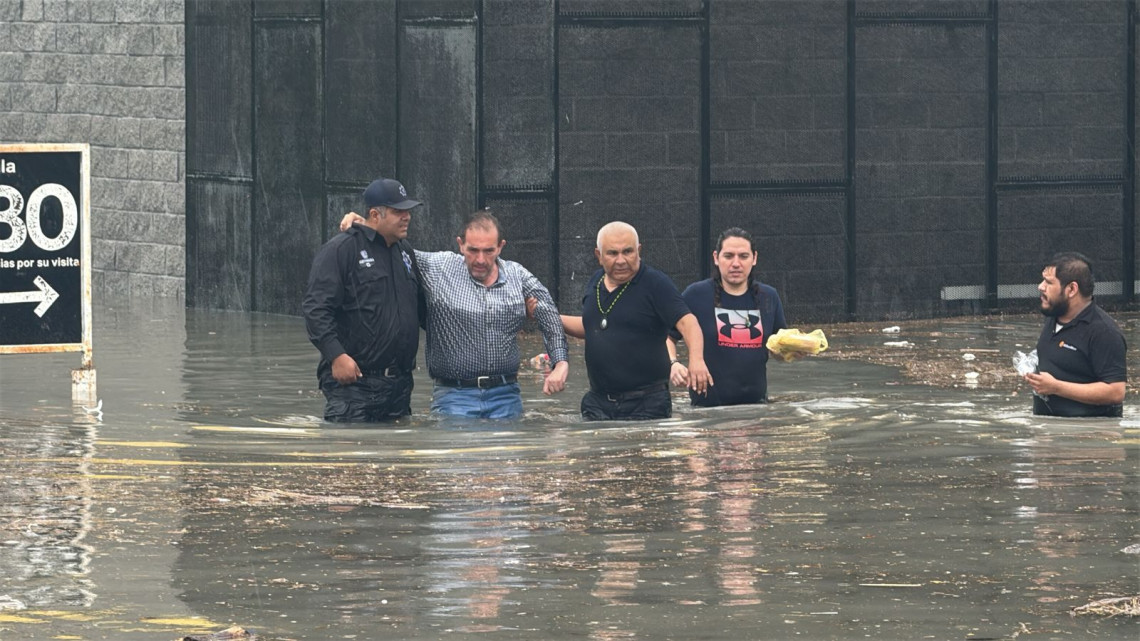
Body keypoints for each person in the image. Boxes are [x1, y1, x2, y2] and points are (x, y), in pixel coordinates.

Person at [340, 209, 569, 419]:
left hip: (505, 395)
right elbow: (396, 248)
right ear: (461, 245)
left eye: (489, 251)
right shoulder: (439, 268)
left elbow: (548, 314)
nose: (480, 259)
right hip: (454, 395)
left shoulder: (517, 276)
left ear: (500, 247)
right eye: (473, 250)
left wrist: (560, 363)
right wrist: (367, 225)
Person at [561, 221, 711, 421]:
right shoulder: (595, 282)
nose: (621, 260)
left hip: (647, 403)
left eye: (628, 252)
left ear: (639, 251)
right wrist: (549, 317)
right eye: (612, 253)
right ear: (598, 256)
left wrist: (697, 360)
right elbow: (593, 326)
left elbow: (688, 323)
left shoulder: (655, 283)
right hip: (597, 402)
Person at [303, 177, 423, 422]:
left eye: (408, 211)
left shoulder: (405, 252)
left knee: (396, 457)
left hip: (399, 386)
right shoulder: (341, 250)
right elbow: (316, 309)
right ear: (375, 215)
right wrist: (336, 356)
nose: (407, 216)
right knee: (353, 456)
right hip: (355, 386)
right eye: (398, 211)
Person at [667, 227, 788, 407]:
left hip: (757, 411)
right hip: (707, 412)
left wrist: (792, 352)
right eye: (729, 256)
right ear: (716, 258)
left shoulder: (769, 297)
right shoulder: (695, 295)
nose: (736, 263)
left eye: (743, 256)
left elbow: (778, 350)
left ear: (754, 258)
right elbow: (666, 337)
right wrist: (673, 364)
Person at [1024, 251, 1127, 417]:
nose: (1040, 286)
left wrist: (1057, 387)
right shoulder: (1053, 317)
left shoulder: (1103, 332)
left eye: (1049, 282)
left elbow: (1115, 392)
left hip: (1086, 435)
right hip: (1047, 433)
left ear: (1071, 289)